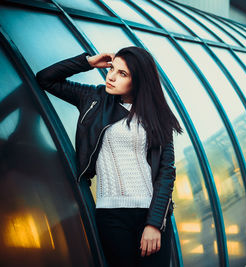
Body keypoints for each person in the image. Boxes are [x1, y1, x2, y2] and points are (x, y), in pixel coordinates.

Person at [36, 46, 183, 266]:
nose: (111, 77)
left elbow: (166, 173)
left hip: (150, 212)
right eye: (111, 69)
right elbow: (45, 79)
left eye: (122, 74)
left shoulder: (157, 114)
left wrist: (153, 224)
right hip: (110, 214)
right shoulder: (94, 98)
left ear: (139, 80)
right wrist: (87, 62)